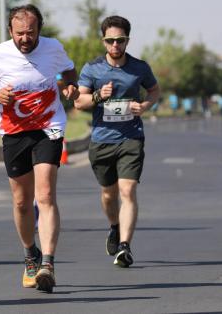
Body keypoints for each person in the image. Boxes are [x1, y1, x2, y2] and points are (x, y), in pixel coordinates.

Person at [0, 4, 79, 293]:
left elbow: (69, 71)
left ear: (39, 30)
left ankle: (48, 264)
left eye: (30, 33)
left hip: (48, 128)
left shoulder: (53, 48)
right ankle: (30, 254)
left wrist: (70, 86)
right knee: (22, 202)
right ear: (10, 31)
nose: (25, 39)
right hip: (14, 132)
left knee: (45, 195)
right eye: (19, 33)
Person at [74, 15, 159, 268]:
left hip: (131, 137)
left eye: (120, 40)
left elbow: (154, 90)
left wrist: (145, 105)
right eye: (110, 40)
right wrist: (99, 96)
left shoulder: (139, 68)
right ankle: (114, 226)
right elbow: (79, 102)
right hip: (102, 140)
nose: (115, 45)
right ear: (103, 41)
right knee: (108, 195)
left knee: (127, 191)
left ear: (127, 41)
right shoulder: (92, 68)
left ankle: (124, 247)